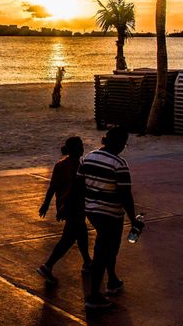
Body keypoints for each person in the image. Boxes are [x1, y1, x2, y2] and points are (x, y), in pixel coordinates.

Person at [79, 126, 143, 309]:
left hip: (91, 210)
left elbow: (79, 184)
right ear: (120, 143)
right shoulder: (119, 164)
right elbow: (125, 195)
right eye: (123, 143)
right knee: (103, 251)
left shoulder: (88, 157)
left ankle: (113, 280)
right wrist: (133, 219)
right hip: (111, 213)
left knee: (109, 247)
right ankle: (93, 296)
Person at [37, 136, 91, 285]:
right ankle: (48, 266)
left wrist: (46, 205)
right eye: (80, 146)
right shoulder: (78, 166)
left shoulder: (62, 165)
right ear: (76, 149)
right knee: (69, 238)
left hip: (70, 205)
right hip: (72, 205)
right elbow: (72, 189)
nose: (82, 148)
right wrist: (56, 206)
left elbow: (52, 187)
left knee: (81, 233)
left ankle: (87, 261)